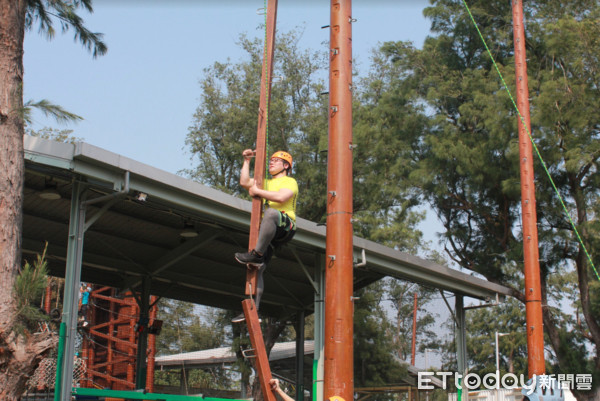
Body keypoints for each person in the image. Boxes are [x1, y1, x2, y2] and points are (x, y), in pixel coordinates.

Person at [232, 149, 298, 323]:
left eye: (276, 161)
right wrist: (246, 160)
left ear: (286, 166)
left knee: (269, 213)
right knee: (257, 269)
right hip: (269, 230)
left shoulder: (289, 181)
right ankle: (254, 310)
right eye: (270, 160)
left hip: (285, 224)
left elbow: (282, 197)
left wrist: (259, 192)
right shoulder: (265, 183)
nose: (271, 162)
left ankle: (256, 255)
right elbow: (245, 181)